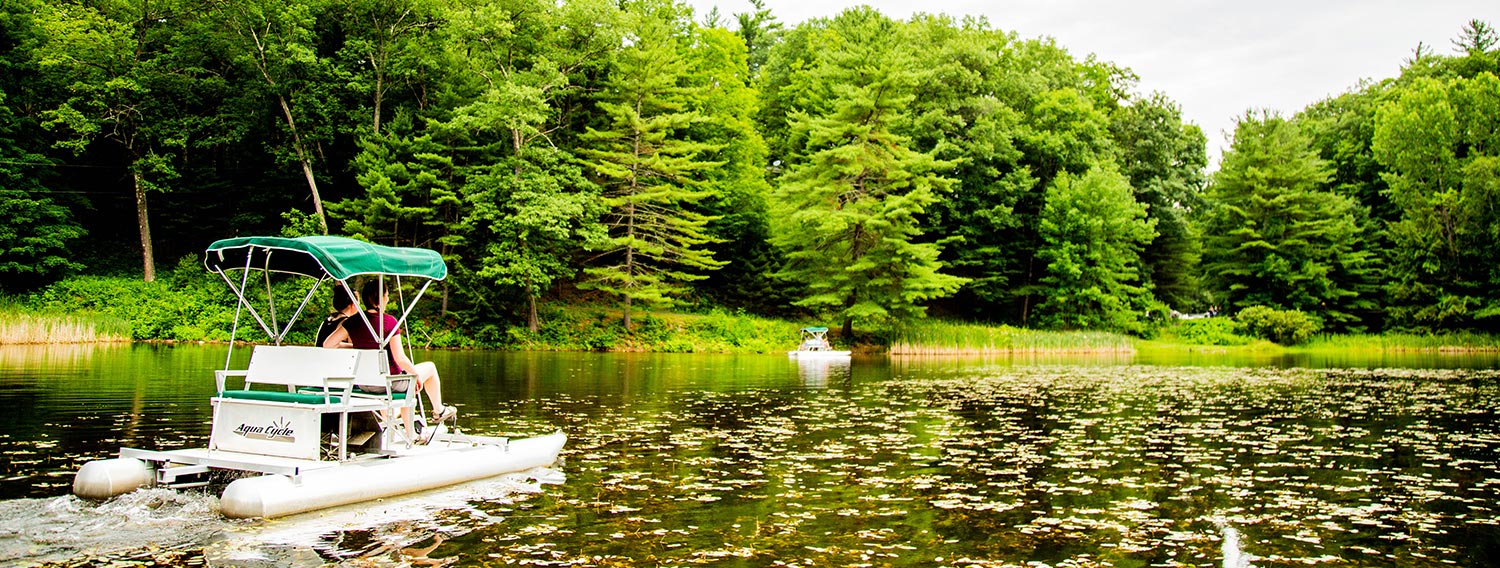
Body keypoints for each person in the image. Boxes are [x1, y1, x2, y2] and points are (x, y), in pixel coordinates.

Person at [322, 280, 456, 443]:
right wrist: (416, 375)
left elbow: (327, 344)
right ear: (382, 298)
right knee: (426, 371)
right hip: (388, 382)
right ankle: (437, 413)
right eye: (386, 295)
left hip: (364, 383)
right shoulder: (389, 322)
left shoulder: (353, 321)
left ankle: (416, 427)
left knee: (409, 381)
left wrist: (356, 347)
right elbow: (400, 358)